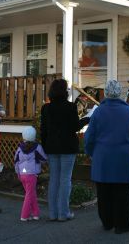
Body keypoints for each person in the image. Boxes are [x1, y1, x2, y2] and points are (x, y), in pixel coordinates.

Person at [85, 79, 129, 234]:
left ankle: (107, 222)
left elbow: (89, 137)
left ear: (106, 93)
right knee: (121, 194)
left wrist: (90, 152)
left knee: (104, 194)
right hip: (122, 158)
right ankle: (122, 225)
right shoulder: (128, 111)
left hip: (102, 159)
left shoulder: (98, 112)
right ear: (119, 93)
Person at [40, 79, 89, 222]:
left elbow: (43, 131)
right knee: (65, 180)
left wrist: (45, 147)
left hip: (52, 147)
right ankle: (64, 213)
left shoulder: (46, 108)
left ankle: (52, 213)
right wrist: (86, 119)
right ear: (64, 91)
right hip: (67, 147)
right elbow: (75, 126)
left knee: (54, 179)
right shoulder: (70, 107)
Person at [14, 126, 47, 221]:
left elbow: (16, 161)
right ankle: (24, 215)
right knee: (29, 194)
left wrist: (18, 173)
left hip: (22, 174)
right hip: (32, 175)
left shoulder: (19, 148)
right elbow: (44, 159)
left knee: (31, 194)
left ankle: (36, 213)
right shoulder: (37, 148)